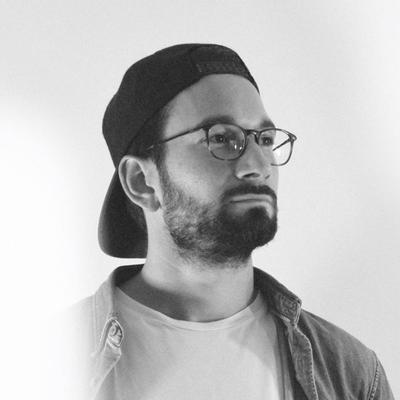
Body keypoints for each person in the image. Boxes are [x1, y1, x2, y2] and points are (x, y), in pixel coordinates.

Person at [73, 44, 394, 400]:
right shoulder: (44, 360)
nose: (258, 165)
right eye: (222, 138)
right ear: (141, 181)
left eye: (265, 139)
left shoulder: (350, 373)